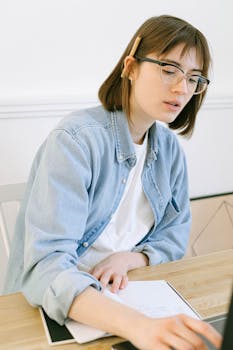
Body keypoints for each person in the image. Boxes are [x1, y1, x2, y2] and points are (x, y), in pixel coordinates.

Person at [5, 14, 221, 350]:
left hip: (130, 293)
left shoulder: (169, 152)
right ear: (131, 67)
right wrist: (139, 327)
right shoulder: (75, 141)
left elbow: (173, 236)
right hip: (58, 310)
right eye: (169, 69)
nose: (182, 88)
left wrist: (130, 259)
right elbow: (47, 267)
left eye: (194, 78)